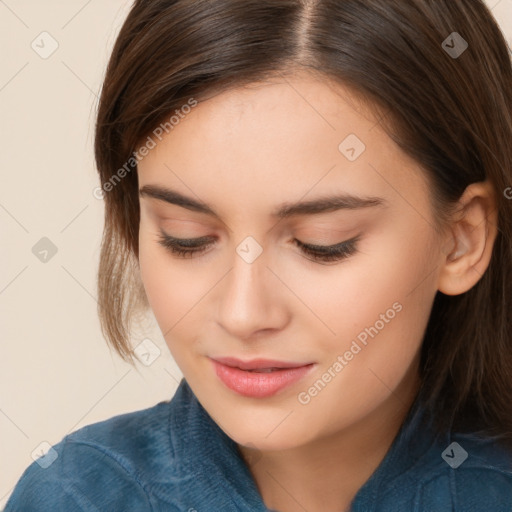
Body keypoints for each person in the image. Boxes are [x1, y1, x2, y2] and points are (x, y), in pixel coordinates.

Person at [5, 0, 512, 510]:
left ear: (461, 240)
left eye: (322, 243)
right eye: (187, 237)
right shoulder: (74, 497)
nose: (242, 313)